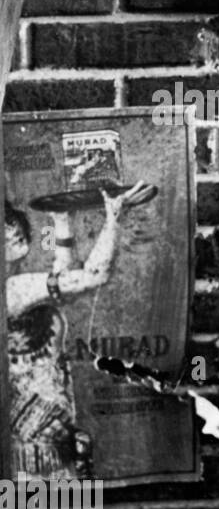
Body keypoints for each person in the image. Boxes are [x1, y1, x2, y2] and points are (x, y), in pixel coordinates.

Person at [5, 182, 153, 479]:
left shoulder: (19, 287)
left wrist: (62, 223)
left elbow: (64, 286)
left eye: (8, 220)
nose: (10, 229)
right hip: (35, 447)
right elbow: (93, 276)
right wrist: (113, 218)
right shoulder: (12, 290)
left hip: (53, 440)